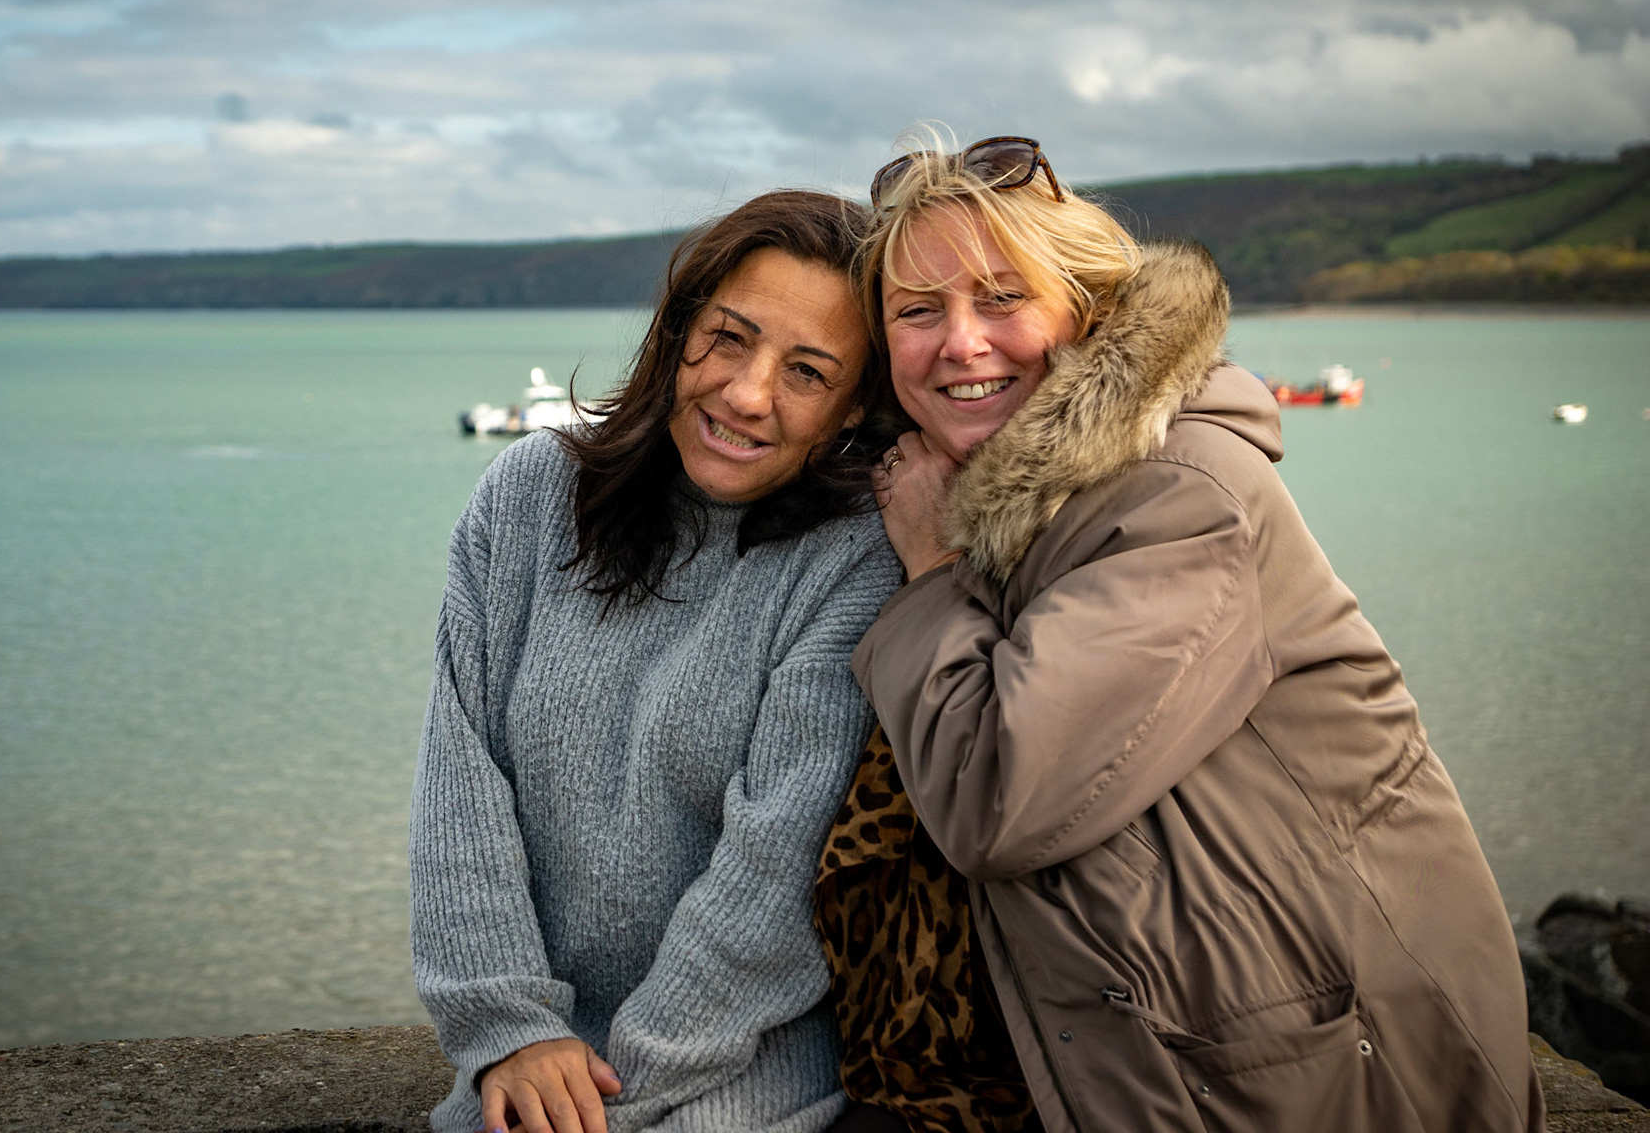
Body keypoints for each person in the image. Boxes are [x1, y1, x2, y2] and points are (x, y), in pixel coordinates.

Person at [819, 136, 1544, 1132]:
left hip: (1330, 1080)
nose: (960, 342)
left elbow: (998, 796)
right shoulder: (1019, 499)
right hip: (1185, 1054)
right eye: (917, 311)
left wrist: (933, 578)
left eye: (1000, 298)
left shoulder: (1179, 491)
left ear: (1084, 311)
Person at [410, 190, 902, 1133]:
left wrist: (609, 1096)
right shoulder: (531, 494)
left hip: (751, 1079)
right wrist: (509, 1032)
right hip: (525, 1070)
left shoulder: (853, 558)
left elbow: (779, 873)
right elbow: (459, 785)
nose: (749, 392)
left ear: (854, 406)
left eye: (807, 371)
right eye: (728, 338)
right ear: (677, 331)